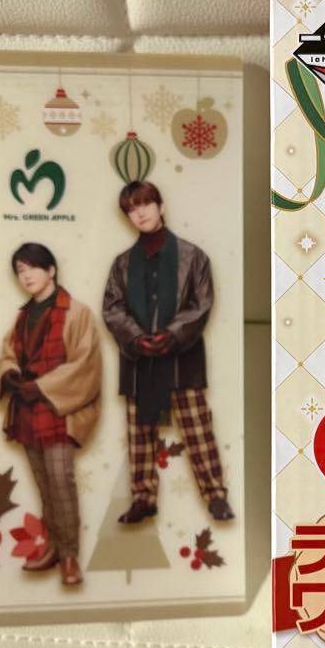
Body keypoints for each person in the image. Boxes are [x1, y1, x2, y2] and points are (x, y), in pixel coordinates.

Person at [102, 180, 234, 524]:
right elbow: (112, 309)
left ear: (160, 206)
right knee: (139, 433)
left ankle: (216, 495)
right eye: (132, 209)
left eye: (145, 204)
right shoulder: (122, 264)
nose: (140, 213)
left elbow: (202, 303)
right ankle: (143, 498)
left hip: (182, 359)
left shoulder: (193, 256)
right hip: (138, 361)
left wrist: (171, 336)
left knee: (197, 430)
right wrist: (137, 339)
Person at [0, 243, 102, 586]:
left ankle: (70, 556)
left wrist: (41, 387)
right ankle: (54, 547)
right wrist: (10, 374)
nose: (26, 275)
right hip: (27, 412)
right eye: (20, 270)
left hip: (58, 409)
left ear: (51, 270)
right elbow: (8, 353)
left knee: (61, 482)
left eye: (33, 267)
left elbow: (86, 365)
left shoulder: (77, 312)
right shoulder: (22, 316)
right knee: (44, 484)